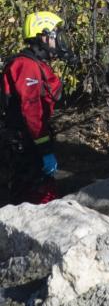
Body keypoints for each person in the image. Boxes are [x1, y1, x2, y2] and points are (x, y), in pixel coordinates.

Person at [2, 11, 72, 204]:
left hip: (29, 140)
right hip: (25, 143)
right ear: (42, 36)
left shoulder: (33, 64)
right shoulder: (26, 66)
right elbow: (31, 109)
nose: (58, 42)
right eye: (54, 37)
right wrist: (44, 148)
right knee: (35, 197)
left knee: (39, 193)